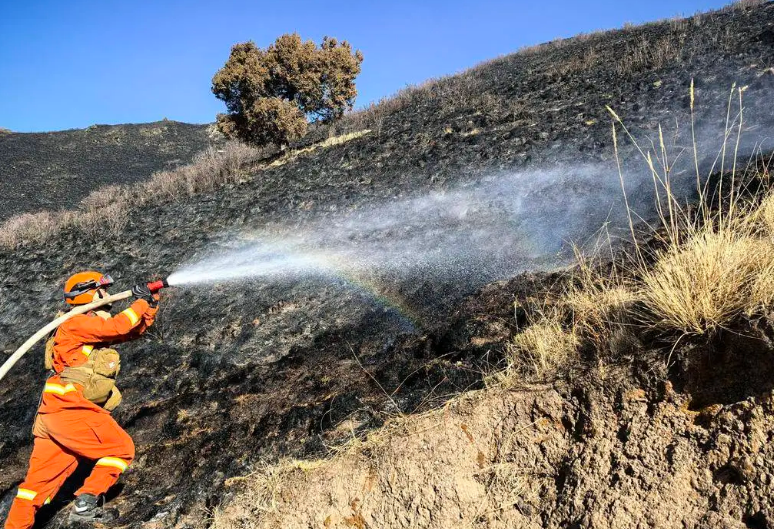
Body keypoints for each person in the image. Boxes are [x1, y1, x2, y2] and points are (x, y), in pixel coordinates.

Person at [4, 271, 160, 528]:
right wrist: (140, 301)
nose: (108, 295)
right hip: (70, 408)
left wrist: (150, 305)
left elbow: (130, 332)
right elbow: (119, 325)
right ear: (90, 292)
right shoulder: (76, 322)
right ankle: (85, 505)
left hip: (53, 414)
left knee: (34, 489)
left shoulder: (87, 327)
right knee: (121, 449)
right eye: (104, 290)